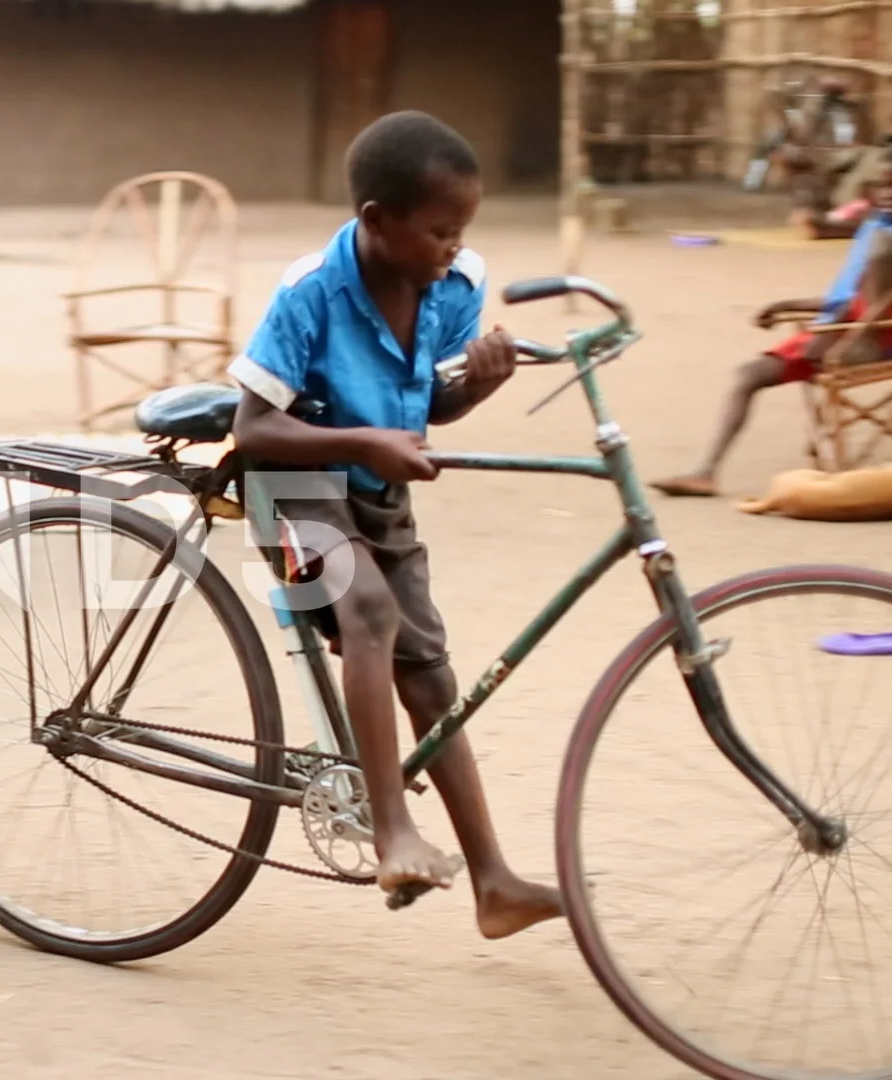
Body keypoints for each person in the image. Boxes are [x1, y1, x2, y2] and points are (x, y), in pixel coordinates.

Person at [228, 111, 564, 940]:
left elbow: (428, 407)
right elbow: (251, 429)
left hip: (377, 490)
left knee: (431, 673)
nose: (454, 246)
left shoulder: (454, 284)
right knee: (369, 612)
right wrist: (364, 438)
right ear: (376, 220)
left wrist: (478, 384)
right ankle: (392, 831)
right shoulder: (311, 289)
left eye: (463, 230)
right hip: (289, 481)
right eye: (439, 230)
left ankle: (493, 880)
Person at [653, 143, 892, 498]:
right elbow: (845, 296)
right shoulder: (872, 227)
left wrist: (834, 329)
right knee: (748, 376)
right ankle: (705, 473)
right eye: (882, 185)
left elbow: (881, 293)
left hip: (889, 333)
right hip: (837, 329)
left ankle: (844, 339)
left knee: (882, 260)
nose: (888, 193)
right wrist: (788, 304)